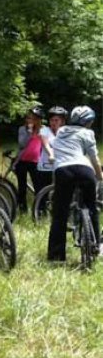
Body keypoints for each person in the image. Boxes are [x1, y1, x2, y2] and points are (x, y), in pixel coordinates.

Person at [47, 106, 102, 262]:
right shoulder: (88, 133)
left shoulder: (61, 131)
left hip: (63, 171)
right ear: (87, 122)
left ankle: (56, 256)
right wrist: (100, 176)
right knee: (91, 208)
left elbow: (55, 149)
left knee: (59, 214)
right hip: (84, 170)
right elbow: (94, 158)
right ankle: (95, 245)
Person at [14, 105, 51, 213]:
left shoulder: (44, 130)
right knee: (22, 187)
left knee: (38, 186)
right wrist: (29, 132)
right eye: (28, 118)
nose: (29, 120)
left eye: (32, 118)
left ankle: (40, 209)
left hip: (36, 162)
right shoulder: (22, 129)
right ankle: (22, 209)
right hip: (22, 161)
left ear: (38, 119)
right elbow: (21, 144)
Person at [38, 106, 67, 179]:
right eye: (51, 120)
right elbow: (46, 144)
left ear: (62, 121)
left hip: (61, 166)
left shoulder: (65, 132)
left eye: (56, 120)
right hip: (45, 167)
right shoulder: (44, 130)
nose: (53, 122)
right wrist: (51, 155)